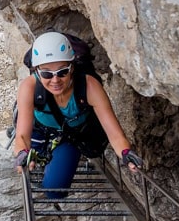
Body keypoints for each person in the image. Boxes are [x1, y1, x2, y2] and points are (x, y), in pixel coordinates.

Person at [12, 32, 142, 197]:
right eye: (46, 74)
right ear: (37, 71)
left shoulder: (89, 87)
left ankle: (54, 160)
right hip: (39, 129)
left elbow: (115, 135)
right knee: (30, 160)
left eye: (62, 72)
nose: (55, 80)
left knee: (54, 192)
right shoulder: (29, 87)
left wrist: (126, 153)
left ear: (72, 68)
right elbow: (22, 135)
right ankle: (46, 157)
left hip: (70, 136)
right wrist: (22, 152)